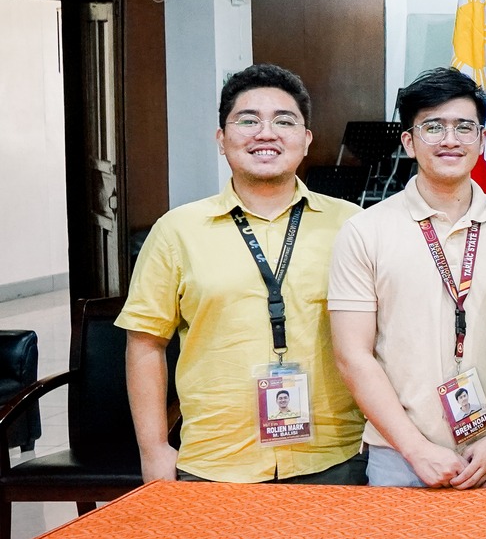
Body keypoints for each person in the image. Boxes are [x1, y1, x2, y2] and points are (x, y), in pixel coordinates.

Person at [120, 64, 366, 483]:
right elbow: (145, 342)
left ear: (306, 140)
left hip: (335, 456)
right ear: (221, 139)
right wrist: (154, 449)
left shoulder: (352, 225)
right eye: (248, 121)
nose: (266, 133)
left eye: (284, 121)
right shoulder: (177, 231)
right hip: (216, 461)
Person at [328, 68, 486, 489]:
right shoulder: (365, 231)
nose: (450, 139)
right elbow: (353, 355)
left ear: (482, 139)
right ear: (409, 141)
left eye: (464, 127)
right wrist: (415, 449)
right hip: (399, 460)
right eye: (433, 127)